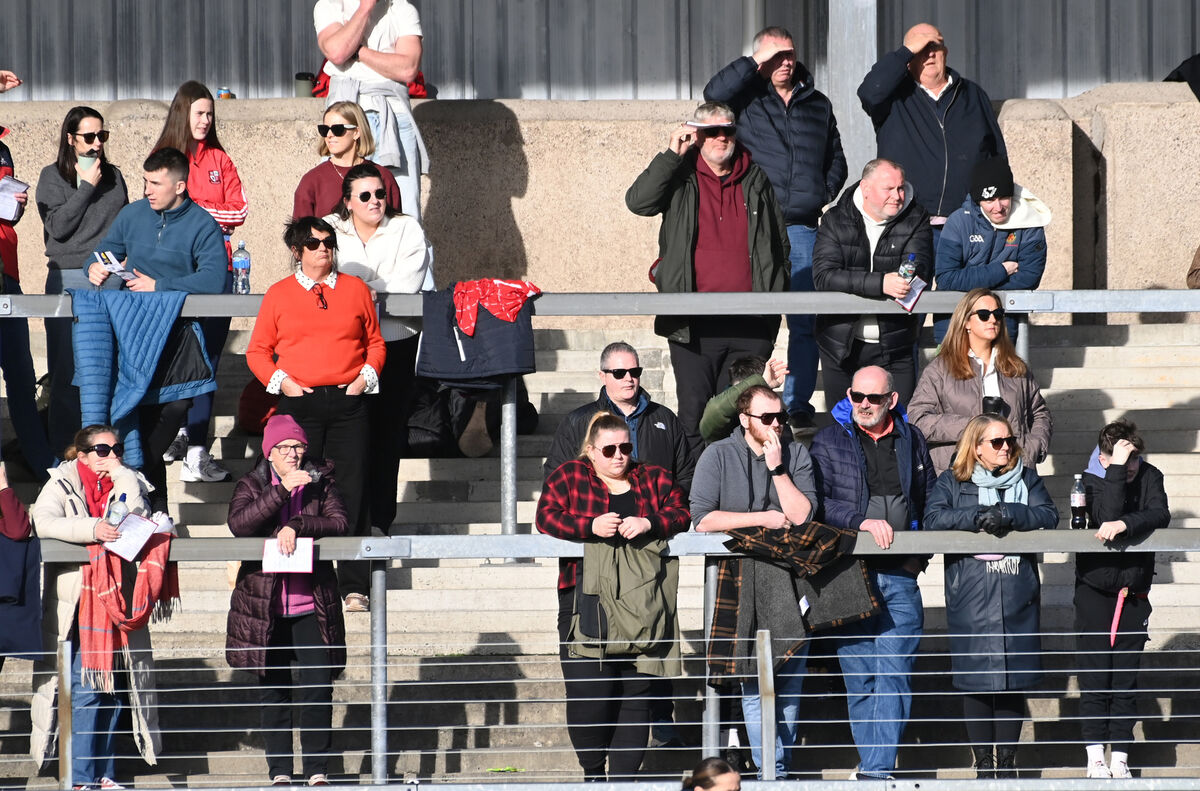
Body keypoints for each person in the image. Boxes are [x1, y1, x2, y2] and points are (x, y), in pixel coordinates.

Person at [703, 25, 847, 428]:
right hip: (754, 227)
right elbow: (712, 94)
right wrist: (753, 65)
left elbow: (836, 157)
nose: (784, 62)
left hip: (802, 227)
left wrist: (821, 191)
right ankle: (750, 402)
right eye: (773, 56)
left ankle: (797, 404)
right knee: (756, 320)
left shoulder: (817, 103)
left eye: (789, 54)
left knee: (805, 320)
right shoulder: (745, 99)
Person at [536, 413, 691, 780]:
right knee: (592, 692)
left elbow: (683, 511)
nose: (619, 456)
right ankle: (593, 774)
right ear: (591, 451)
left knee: (637, 694)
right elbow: (545, 517)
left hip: (643, 601)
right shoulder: (571, 475)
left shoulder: (652, 477)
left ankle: (623, 784)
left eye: (625, 447)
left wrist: (651, 522)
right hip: (583, 597)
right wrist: (587, 526)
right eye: (609, 449)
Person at [626, 102, 790, 449]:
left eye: (726, 130)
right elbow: (638, 202)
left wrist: (775, 300)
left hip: (750, 324)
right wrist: (672, 154)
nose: (720, 137)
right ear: (695, 135)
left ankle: (741, 498)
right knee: (694, 417)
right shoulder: (679, 175)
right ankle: (698, 500)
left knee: (742, 416)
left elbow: (780, 246)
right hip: (693, 326)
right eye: (710, 131)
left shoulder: (756, 179)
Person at [246, 216, 385, 613]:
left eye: (328, 241)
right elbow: (257, 351)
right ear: (297, 251)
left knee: (353, 489)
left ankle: (354, 585)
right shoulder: (278, 294)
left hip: (348, 402)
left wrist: (363, 380)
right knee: (298, 485)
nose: (323, 248)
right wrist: (283, 383)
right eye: (313, 243)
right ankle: (300, 578)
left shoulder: (356, 290)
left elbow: (375, 342)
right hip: (299, 402)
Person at [808, 365, 935, 780]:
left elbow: (928, 499)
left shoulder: (911, 437)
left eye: (873, 398)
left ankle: (876, 772)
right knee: (861, 680)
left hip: (900, 574)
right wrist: (859, 521)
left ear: (891, 401)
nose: (863, 405)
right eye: (856, 396)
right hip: (848, 575)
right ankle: (876, 769)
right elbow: (818, 503)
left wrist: (919, 559)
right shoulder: (828, 440)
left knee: (894, 675)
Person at [691, 385, 824, 779]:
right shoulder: (718, 454)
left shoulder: (794, 452)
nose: (776, 424)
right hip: (741, 580)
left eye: (780, 416)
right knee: (754, 683)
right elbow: (701, 519)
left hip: (791, 581)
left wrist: (777, 468)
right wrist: (762, 519)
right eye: (766, 418)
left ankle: (776, 768)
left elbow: (803, 516)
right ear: (744, 419)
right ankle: (773, 772)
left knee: (791, 685)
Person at [30, 424, 173, 790]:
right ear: (83, 455)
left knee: (112, 689)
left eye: (117, 448)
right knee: (86, 687)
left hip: (118, 599)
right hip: (77, 602)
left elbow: (137, 512)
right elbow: (42, 521)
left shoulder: (128, 478)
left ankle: (104, 774)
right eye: (103, 450)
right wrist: (93, 528)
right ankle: (80, 779)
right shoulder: (60, 482)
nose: (111, 455)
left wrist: (124, 474)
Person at [89, 147, 228, 512]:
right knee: (142, 417)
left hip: (176, 335)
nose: (147, 189)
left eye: (155, 183)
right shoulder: (132, 214)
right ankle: (156, 510)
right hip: (131, 331)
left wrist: (160, 286)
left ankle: (134, 477)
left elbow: (214, 279)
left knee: (177, 404)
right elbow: (106, 250)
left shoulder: (202, 224)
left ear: (180, 185)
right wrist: (96, 266)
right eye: (145, 181)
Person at [924, 414, 1059, 778]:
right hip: (971, 593)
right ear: (976, 447)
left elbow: (1049, 514)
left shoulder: (1027, 477)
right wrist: (979, 516)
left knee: (1012, 681)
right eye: (996, 442)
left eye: (1009, 441)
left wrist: (1009, 513)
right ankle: (984, 765)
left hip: (1017, 591)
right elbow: (934, 519)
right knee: (975, 681)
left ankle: (1008, 763)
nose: (1006, 448)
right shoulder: (952, 480)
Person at [227, 414, 348, 787]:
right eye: (285, 448)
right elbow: (239, 524)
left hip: (313, 603)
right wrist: (280, 493)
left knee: (317, 689)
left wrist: (297, 524)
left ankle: (316, 770)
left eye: (298, 447)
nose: (293, 454)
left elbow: (340, 523)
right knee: (275, 691)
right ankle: (279, 771)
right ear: (270, 453)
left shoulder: (321, 482)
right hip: (265, 606)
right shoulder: (252, 483)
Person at [325, 162, 430, 535]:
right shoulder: (330, 228)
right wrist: (364, 287)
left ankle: (381, 523)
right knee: (349, 442)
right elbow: (322, 276)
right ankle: (346, 520)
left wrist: (358, 283)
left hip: (396, 344)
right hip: (344, 346)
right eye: (365, 195)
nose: (375, 201)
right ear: (348, 201)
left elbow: (406, 285)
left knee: (386, 439)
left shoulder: (407, 228)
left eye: (380, 193)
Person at [152, 80, 249, 483]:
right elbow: (159, 212)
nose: (207, 121)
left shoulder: (221, 161)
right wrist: (203, 215)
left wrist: (193, 211)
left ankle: (196, 450)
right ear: (182, 114)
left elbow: (238, 211)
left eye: (211, 114)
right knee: (173, 359)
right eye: (200, 113)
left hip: (217, 275)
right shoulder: (163, 159)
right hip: (171, 276)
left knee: (207, 361)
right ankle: (174, 434)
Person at [1075, 419, 1170, 779]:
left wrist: (1127, 525)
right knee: (1096, 676)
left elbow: (1160, 512)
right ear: (1104, 458)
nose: (1131, 468)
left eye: (1133, 460)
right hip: (1095, 591)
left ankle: (1120, 757)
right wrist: (1115, 470)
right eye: (1121, 460)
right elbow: (1105, 516)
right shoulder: (1089, 480)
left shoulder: (1149, 474)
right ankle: (1095, 756)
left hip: (1134, 592)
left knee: (1125, 679)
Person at [857, 22, 1006, 246]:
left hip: (967, 224)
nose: (928, 54)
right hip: (908, 224)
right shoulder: (893, 97)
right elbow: (869, 91)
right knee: (911, 283)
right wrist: (904, 52)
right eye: (919, 49)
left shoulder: (972, 94)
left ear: (945, 52)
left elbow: (996, 156)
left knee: (967, 282)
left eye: (934, 46)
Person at [36, 106, 129, 458]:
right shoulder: (52, 177)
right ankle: (64, 454)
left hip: (111, 277)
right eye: (88, 137)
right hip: (69, 276)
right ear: (71, 139)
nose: (96, 145)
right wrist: (85, 188)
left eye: (101, 136)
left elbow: (125, 226)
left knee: (108, 369)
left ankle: (108, 451)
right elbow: (58, 229)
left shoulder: (114, 176)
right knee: (66, 371)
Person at [812, 158, 932, 408]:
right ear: (865, 189)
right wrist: (880, 284)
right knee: (842, 430)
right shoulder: (835, 218)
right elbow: (824, 276)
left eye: (900, 188)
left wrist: (898, 282)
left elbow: (918, 269)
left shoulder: (916, 217)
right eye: (889, 189)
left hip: (895, 343)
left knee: (900, 425)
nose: (898, 196)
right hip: (841, 344)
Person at [908, 288, 1052, 475]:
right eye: (984, 315)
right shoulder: (940, 369)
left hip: (1013, 471)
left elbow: (1040, 414)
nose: (992, 320)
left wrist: (1034, 447)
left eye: (998, 314)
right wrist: (973, 427)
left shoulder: (1016, 368)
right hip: (960, 473)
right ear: (966, 321)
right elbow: (917, 419)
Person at [315, 0, 428, 222]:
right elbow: (337, 52)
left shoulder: (401, 8)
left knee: (403, 210)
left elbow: (407, 68)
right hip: (344, 116)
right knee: (336, 208)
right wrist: (365, 7)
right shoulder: (329, 5)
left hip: (392, 116)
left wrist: (358, 52)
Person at [543, 341, 695, 490]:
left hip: (655, 511)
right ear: (602, 376)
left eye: (635, 372)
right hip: (598, 510)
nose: (629, 378)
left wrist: (668, 509)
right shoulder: (577, 422)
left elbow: (686, 474)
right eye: (619, 373)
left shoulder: (665, 418)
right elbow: (556, 479)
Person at [933, 157, 1051, 343]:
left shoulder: (1030, 223)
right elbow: (946, 278)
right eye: (989, 199)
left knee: (998, 373)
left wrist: (969, 282)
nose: (998, 207)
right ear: (978, 199)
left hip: (1002, 323)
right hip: (954, 323)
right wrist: (1002, 270)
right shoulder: (959, 222)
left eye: (1003, 197)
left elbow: (1029, 277)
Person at [0, 106, 55, 480]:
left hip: (7, 272)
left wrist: (12, 203)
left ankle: (44, 466)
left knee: (21, 373)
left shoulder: (2, 147)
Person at [294, 100, 402, 218]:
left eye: (337, 129)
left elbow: (395, 229)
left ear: (356, 132)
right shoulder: (312, 180)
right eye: (324, 129)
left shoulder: (382, 176)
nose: (329, 135)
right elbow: (299, 233)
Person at [699, 355, 787, 445]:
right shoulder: (726, 425)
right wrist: (761, 381)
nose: (775, 423)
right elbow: (715, 411)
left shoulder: (779, 417)